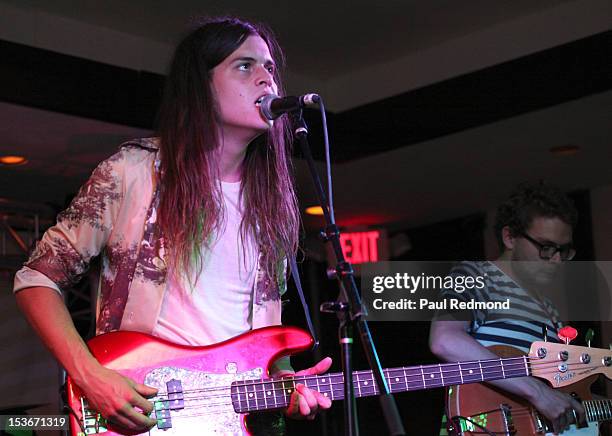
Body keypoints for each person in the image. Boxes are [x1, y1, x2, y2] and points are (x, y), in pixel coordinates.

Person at [13, 16, 331, 434]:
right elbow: (36, 279)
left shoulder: (273, 206)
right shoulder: (133, 172)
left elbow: (262, 343)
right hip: (143, 415)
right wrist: (89, 375)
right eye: (245, 65)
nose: (266, 80)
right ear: (199, 85)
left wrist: (285, 385)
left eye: (270, 68)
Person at [429, 182, 586, 434]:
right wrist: (538, 393)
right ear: (509, 237)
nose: (556, 260)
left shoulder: (549, 309)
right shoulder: (475, 275)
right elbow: (444, 340)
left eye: (563, 250)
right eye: (545, 247)